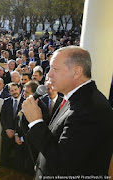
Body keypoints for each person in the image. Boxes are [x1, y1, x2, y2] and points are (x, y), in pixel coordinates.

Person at [21, 46, 113, 178]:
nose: (49, 74)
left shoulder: (89, 109)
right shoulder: (74, 97)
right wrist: (42, 162)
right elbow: (57, 140)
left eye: (55, 69)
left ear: (76, 72)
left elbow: (63, 164)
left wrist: (36, 121)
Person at [0, 83, 24, 168]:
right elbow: (2, 117)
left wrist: (16, 133)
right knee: (5, 156)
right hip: (7, 134)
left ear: (19, 89)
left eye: (15, 90)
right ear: (9, 92)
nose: (14, 92)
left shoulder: (25, 102)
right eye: (12, 90)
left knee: (19, 157)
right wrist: (6, 129)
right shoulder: (6, 101)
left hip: (19, 134)